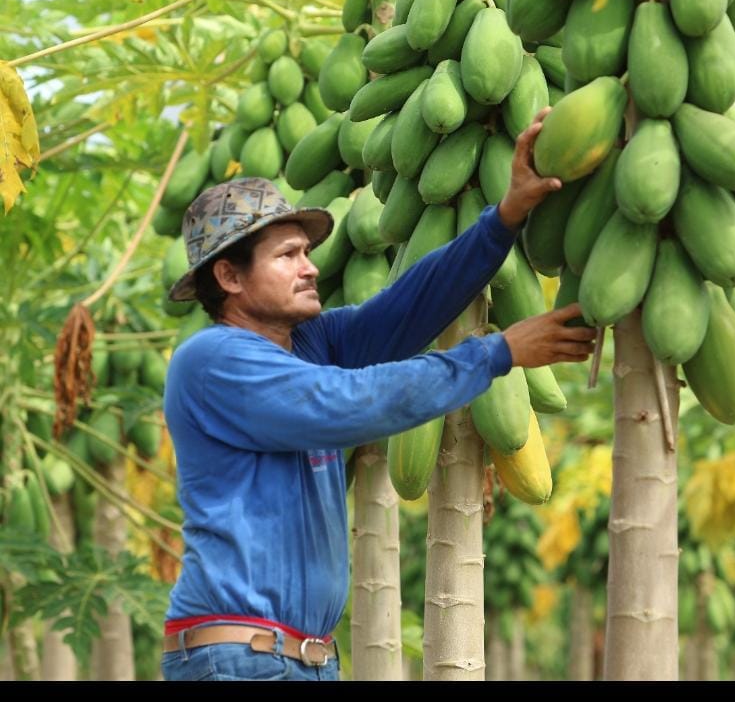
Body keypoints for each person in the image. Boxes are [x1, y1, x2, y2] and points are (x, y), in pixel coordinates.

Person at [159, 109, 597, 681]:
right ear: (230, 278)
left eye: (307, 253)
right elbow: (352, 402)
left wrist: (506, 216)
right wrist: (497, 352)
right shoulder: (213, 361)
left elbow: (406, 308)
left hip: (301, 656)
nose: (310, 268)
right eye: (287, 255)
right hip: (239, 657)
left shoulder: (309, 342)